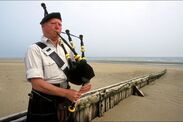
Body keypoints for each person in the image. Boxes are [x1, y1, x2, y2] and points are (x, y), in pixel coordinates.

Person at [24, 3, 91, 122]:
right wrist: (66, 93)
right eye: (53, 24)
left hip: (65, 100)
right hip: (44, 102)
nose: (57, 27)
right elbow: (36, 83)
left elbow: (77, 69)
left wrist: (86, 81)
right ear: (43, 26)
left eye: (60, 24)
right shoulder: (34, 49)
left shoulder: (66, 48)